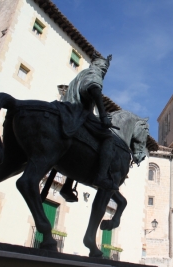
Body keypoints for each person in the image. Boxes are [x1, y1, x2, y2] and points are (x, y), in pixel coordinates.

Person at [59, 52, 118, 202]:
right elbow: (95, 90)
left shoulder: (79, 76)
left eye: (105, 70)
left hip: (66, 110)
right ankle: (101, 177)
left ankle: (67, 184)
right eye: (103, 68)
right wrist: (103, 116)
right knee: (108, 137)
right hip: (78, 113)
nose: (103, 72)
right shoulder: (93, 73)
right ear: (98, 66)